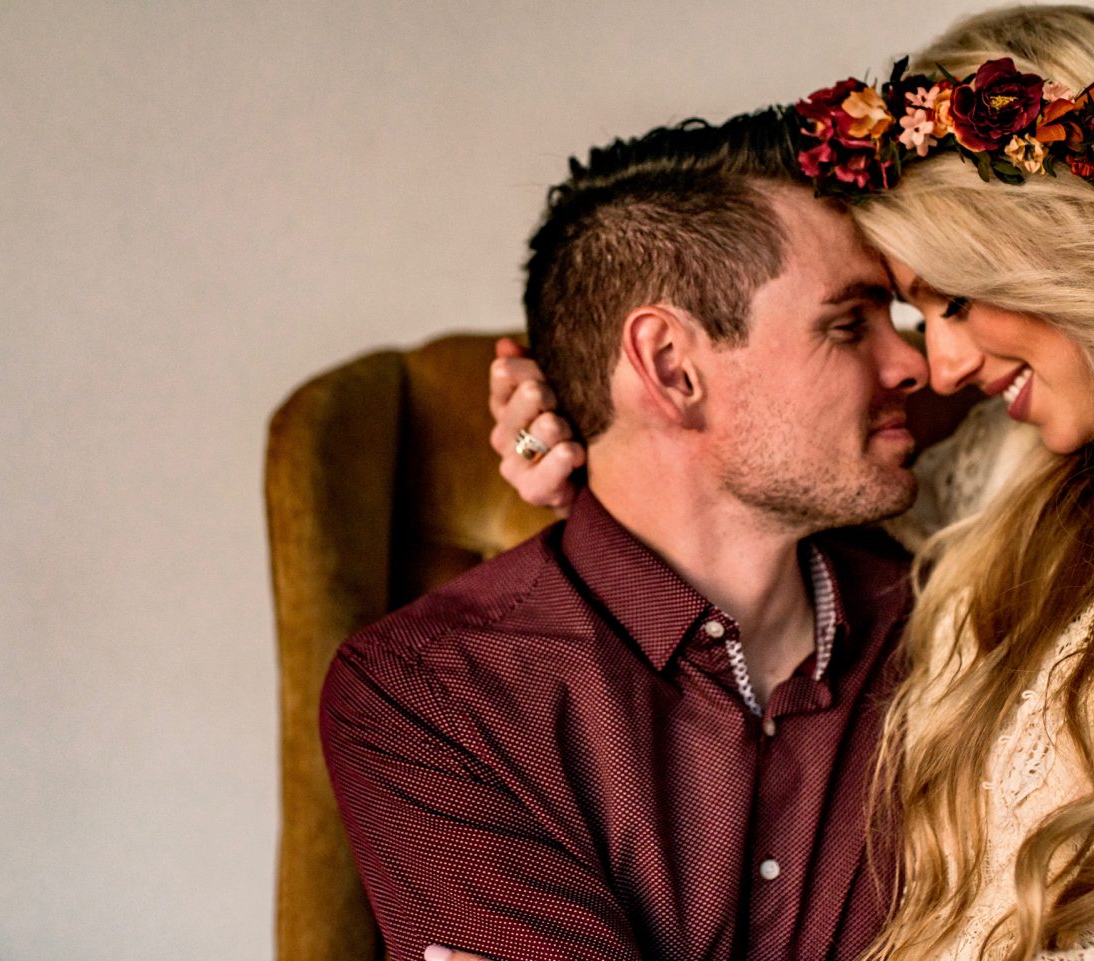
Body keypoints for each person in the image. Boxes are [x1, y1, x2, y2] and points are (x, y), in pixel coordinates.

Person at [487, 6, 1094, 958]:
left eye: (953, 301)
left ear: (1085, 249)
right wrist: (595, 410)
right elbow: (738, 455)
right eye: (906, 313)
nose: (940, 364)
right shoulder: (999, 483)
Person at [320, 107, 936, 961]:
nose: (915, 364)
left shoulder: (954, 627)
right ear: (673, 368)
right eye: (847, 324)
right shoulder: (432, 694)